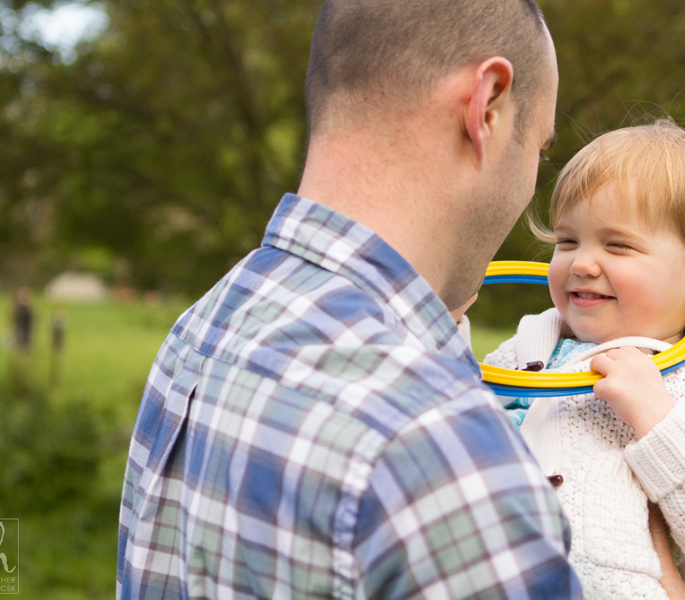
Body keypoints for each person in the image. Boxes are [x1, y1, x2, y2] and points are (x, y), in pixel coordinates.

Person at [117, 1, 578, 598]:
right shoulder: (442, 448)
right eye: (539, 148)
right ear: (486, 106)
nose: (530, 179)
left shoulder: (203, 326)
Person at [482, 120, 685, 599]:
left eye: (618, 245)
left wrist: (656, 417)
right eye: (568, 241)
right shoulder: (520, 354)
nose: (582, 263)